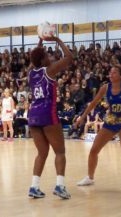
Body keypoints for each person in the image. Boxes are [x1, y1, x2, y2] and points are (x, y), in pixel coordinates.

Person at [76, 65, 121, 187]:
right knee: (94, 150)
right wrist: (83, 116)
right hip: (110, 122)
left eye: (114, 73)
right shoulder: (105, 87)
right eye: (110, 72)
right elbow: (93, 103)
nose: (111, 74)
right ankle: (90, 177)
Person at [28, 37, 72, 199]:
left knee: (42, 153)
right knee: (60, 151)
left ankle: (34, 187)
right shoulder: (49, 71)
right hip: (48, 113)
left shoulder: (30, 73)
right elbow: (69, 58)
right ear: (43, 59)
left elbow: (34, 60)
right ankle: (60, 186)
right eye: (47, 55)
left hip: (33, 115)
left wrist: (40, 44)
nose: (50, 57)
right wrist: (58, 40)